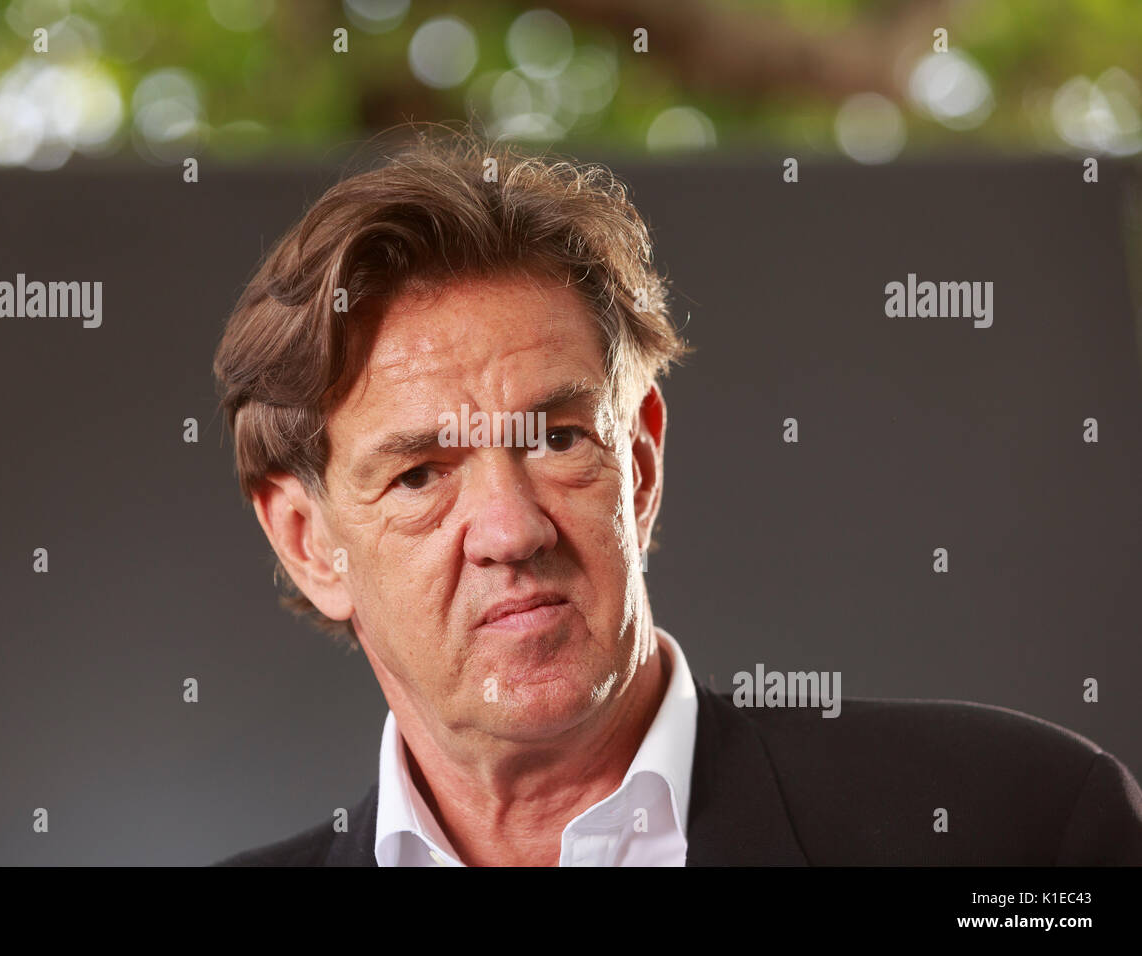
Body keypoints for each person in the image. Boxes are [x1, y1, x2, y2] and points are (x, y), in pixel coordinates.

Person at [211, 125, 1142, 866]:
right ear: (307, 541)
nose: (510, 528)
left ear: (641, 467)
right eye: (420, 475)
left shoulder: (1018, 828)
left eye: (561, 439)